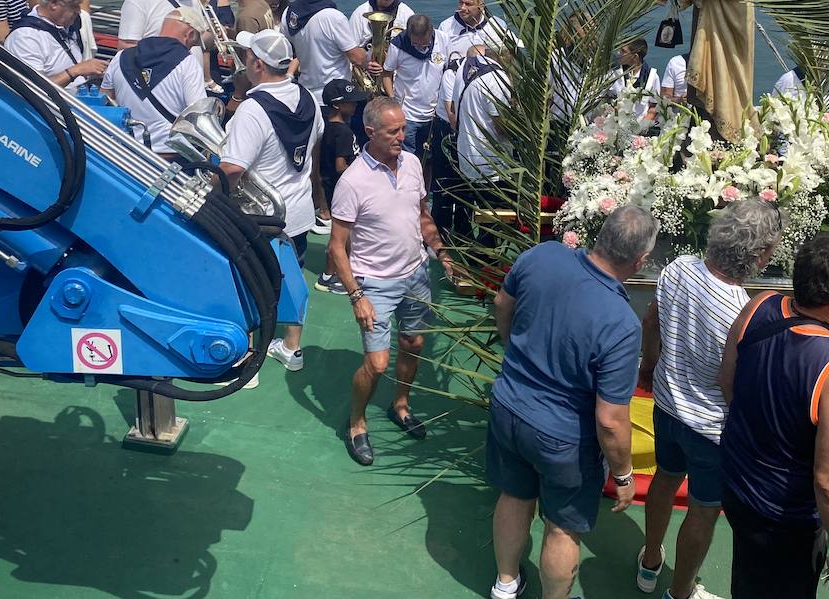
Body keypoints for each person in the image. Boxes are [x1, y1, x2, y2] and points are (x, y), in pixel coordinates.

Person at [487, 207, 654, 599]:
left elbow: (501, 304)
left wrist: (515, 352)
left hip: (509, 406)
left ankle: (505, 583)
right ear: (640, 260)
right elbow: (611, 420)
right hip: (564, 439)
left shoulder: (542, 255)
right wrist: (625, 475)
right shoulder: (621, 323)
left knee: (513, 494)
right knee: (562, 528)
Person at [637, 199, 784, 599]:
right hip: (710, 430)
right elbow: (729, 380)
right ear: (757, 255)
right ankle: (680, 592)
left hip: (667, 406)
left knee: (664, 479)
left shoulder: (678, 268)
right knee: (702, 510)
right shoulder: (743, 312)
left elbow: (651, 322)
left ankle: (650, 560)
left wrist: (648, 368)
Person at [719, 232, 829, 597]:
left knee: (748, 577)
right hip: (785, 515)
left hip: (739, 482)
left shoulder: (758, 306)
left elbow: (728, 381)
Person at [328, 97, 454, 466]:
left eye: (403, 129)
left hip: (416, 273)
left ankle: (400, 404)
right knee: (377, 363)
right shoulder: (352, 182)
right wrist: (357, 297)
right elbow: (337, 248)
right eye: (393, 131)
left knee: (413, 342)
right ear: (370, 133)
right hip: (375, 284)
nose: (402, 136)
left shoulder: (413, 164)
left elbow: (421, 215)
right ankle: (356, 423)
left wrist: (442, 254)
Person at [220, 29, 323, 378]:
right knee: (292, 278)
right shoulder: (307, 97)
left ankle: (246, 355)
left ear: (258, 64)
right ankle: (292, 347)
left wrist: (216, 194)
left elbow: (233, 167)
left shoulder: (251, 109)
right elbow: (315, 140)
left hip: (258, 217)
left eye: (248, 56)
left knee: (249, 284)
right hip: (298, 211)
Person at [101, 10, 204, 155]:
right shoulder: (188, 62)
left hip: (127, 151)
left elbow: (105, 99)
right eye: (194, 43)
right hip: (170, 153)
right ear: (190, 35)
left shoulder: (120, 57)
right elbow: (198, 113)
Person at [450, 42, 512, 239]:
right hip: (491, 163)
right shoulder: (499, 78)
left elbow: (452, 107)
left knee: (479, 214)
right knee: (494, 222)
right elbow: (501, 127)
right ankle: (487, 264)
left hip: (467, 155)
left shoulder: (465, 68)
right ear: (504, 52)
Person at [282, 0, 366, 103]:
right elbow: (356, 58)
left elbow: (285, 49)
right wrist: (367, 54)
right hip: (335, 97)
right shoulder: (334, 17)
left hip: (305, 95)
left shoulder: (289, 12)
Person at [5, 0, 108, 92]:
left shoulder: (66, 25)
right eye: (74, 5)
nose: (79, 11)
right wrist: (76, 71)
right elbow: (34, 89)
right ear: (53, 2)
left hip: (81, 95)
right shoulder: (25, 37)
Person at [315, 78, 365, 294]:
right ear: (337, 104)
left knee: (343, 235)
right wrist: (362, 171)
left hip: (332, 187)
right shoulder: (344, 132)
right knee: (342, 236)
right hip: (341, 190)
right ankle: (330, 276)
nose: (354, 105)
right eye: (350, 102)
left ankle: (337, 272)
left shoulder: (329, 126)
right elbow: (340, 166)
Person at [382, 14, 443, 157]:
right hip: (407, 114)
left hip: (433, 113)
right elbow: (386, 74)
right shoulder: (397, 46)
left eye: (425, 44)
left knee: (429, 158)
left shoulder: (442, 39)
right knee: (406, 157)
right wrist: (393, 100)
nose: (421, 48)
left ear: (431, 32)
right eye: (416, 44)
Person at [349, 0, 414, 71]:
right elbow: (350, 50)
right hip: (367, 73)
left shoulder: (407, 14)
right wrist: (365, 63)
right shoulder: (359, 14)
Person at [437, 0, 509, 57]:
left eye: (468, 4)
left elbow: (506, 55)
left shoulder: (497, 24)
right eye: (461, 2)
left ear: (481, 6)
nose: (462, 8)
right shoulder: (446, 27)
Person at [611, 37, 659, 121]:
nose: (618, 53)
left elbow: (654, 106)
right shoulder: (614, 72)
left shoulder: (651, 77)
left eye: (623, 51)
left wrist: (643, 125)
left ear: (635, 57)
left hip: (638, 128)